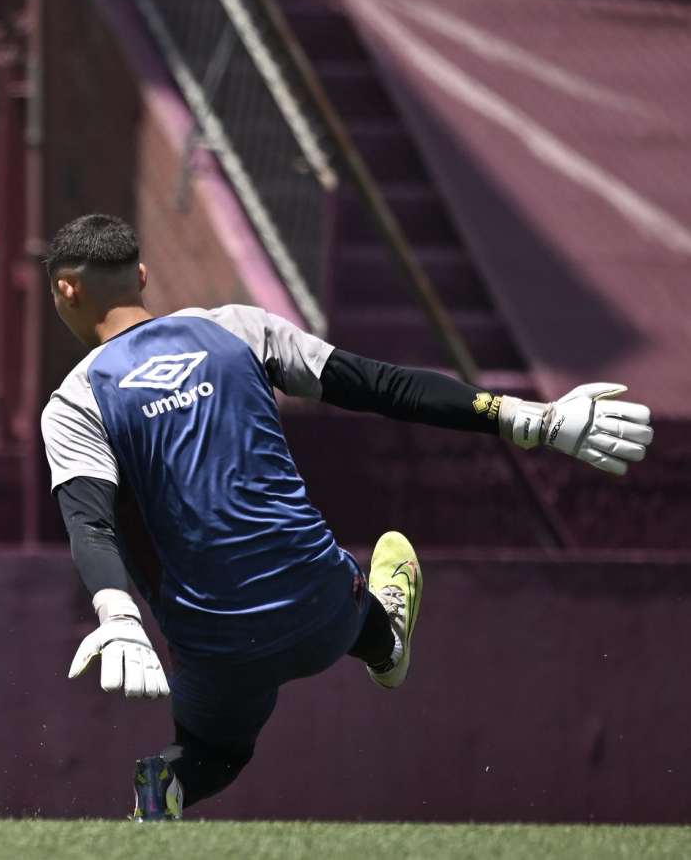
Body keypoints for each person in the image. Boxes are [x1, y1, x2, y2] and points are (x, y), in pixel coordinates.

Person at [39, 214, 653, 819]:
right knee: (350, 586)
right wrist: (531, 419)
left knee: (216, 752)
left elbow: (89, 522)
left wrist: (116, 616)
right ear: (142, 276)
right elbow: (383, 385)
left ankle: (166, 783)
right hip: (324, 612)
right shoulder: (237, 329)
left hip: (216, 647)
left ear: (66, 289)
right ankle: (384, 641)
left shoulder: (75, 401)